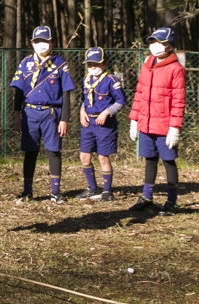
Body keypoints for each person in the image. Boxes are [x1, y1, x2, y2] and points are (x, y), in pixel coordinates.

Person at [10, 26, 76, 203]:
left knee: (53, 151)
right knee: (30, 151)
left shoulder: (59, 63)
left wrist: (64, 119)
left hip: (51, 113)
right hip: (29, 112)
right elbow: (18, 90)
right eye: (38, 41)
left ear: (52, 43)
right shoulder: (25, 63)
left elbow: (66, 92)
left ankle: (55, 191)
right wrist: (16, 114)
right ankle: (27, 190)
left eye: (45, 41)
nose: (42, 45)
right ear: (32, 43)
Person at [128, 27, 185, 216]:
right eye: (152, 42)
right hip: (146, 123)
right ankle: (147, 197)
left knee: (169, 161)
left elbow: (178, 101)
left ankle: (172, 201)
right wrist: (134, 119)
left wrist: (174, 128)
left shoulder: (176, 69)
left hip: (165, 125)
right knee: (150, 160)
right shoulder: (147, 64)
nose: (155, 46)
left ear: (169, 45)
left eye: (159, 42)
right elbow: (140, 93)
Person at [77, 47, 127, 202]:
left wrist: (106, 112)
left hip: (105, 124)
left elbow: (121, 101)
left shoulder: (111, 80)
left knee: (103, 157)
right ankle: (92, 188)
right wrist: (82, 111)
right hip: (88, 123)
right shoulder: (85, 80)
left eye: (97, 64)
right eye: (90, 64)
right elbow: (85, 100)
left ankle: (107, 190)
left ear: (105, 64)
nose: (93, 68)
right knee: (84, 156)